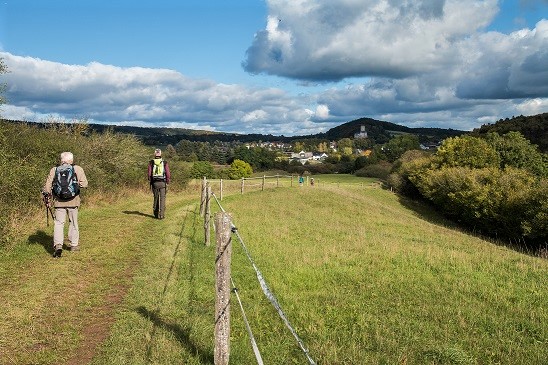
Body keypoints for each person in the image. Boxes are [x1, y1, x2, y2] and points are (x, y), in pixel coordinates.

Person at [43, 151, 88, 258]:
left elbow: (47, 187)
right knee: (73, 222)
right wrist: (76, 186)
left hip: (59, 202)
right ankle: (73, 245)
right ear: (71, 160)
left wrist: (47, 198)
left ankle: (58, 245)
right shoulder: (78, 168)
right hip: (74, 200)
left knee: (59, 223)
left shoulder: (54, 169)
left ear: (61, 160)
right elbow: (85, 184)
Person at [148, 148, 171, 219]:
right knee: (162, 199)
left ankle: (155, 213)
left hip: (155, 183)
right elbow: (168, 173)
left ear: (154, 154)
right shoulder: (164, 162)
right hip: (162, 183)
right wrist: (167, 181)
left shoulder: (151, 162)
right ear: (160, 154)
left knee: (156, 198)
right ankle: (161, 215)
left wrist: (150, 181)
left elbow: (149, 174)